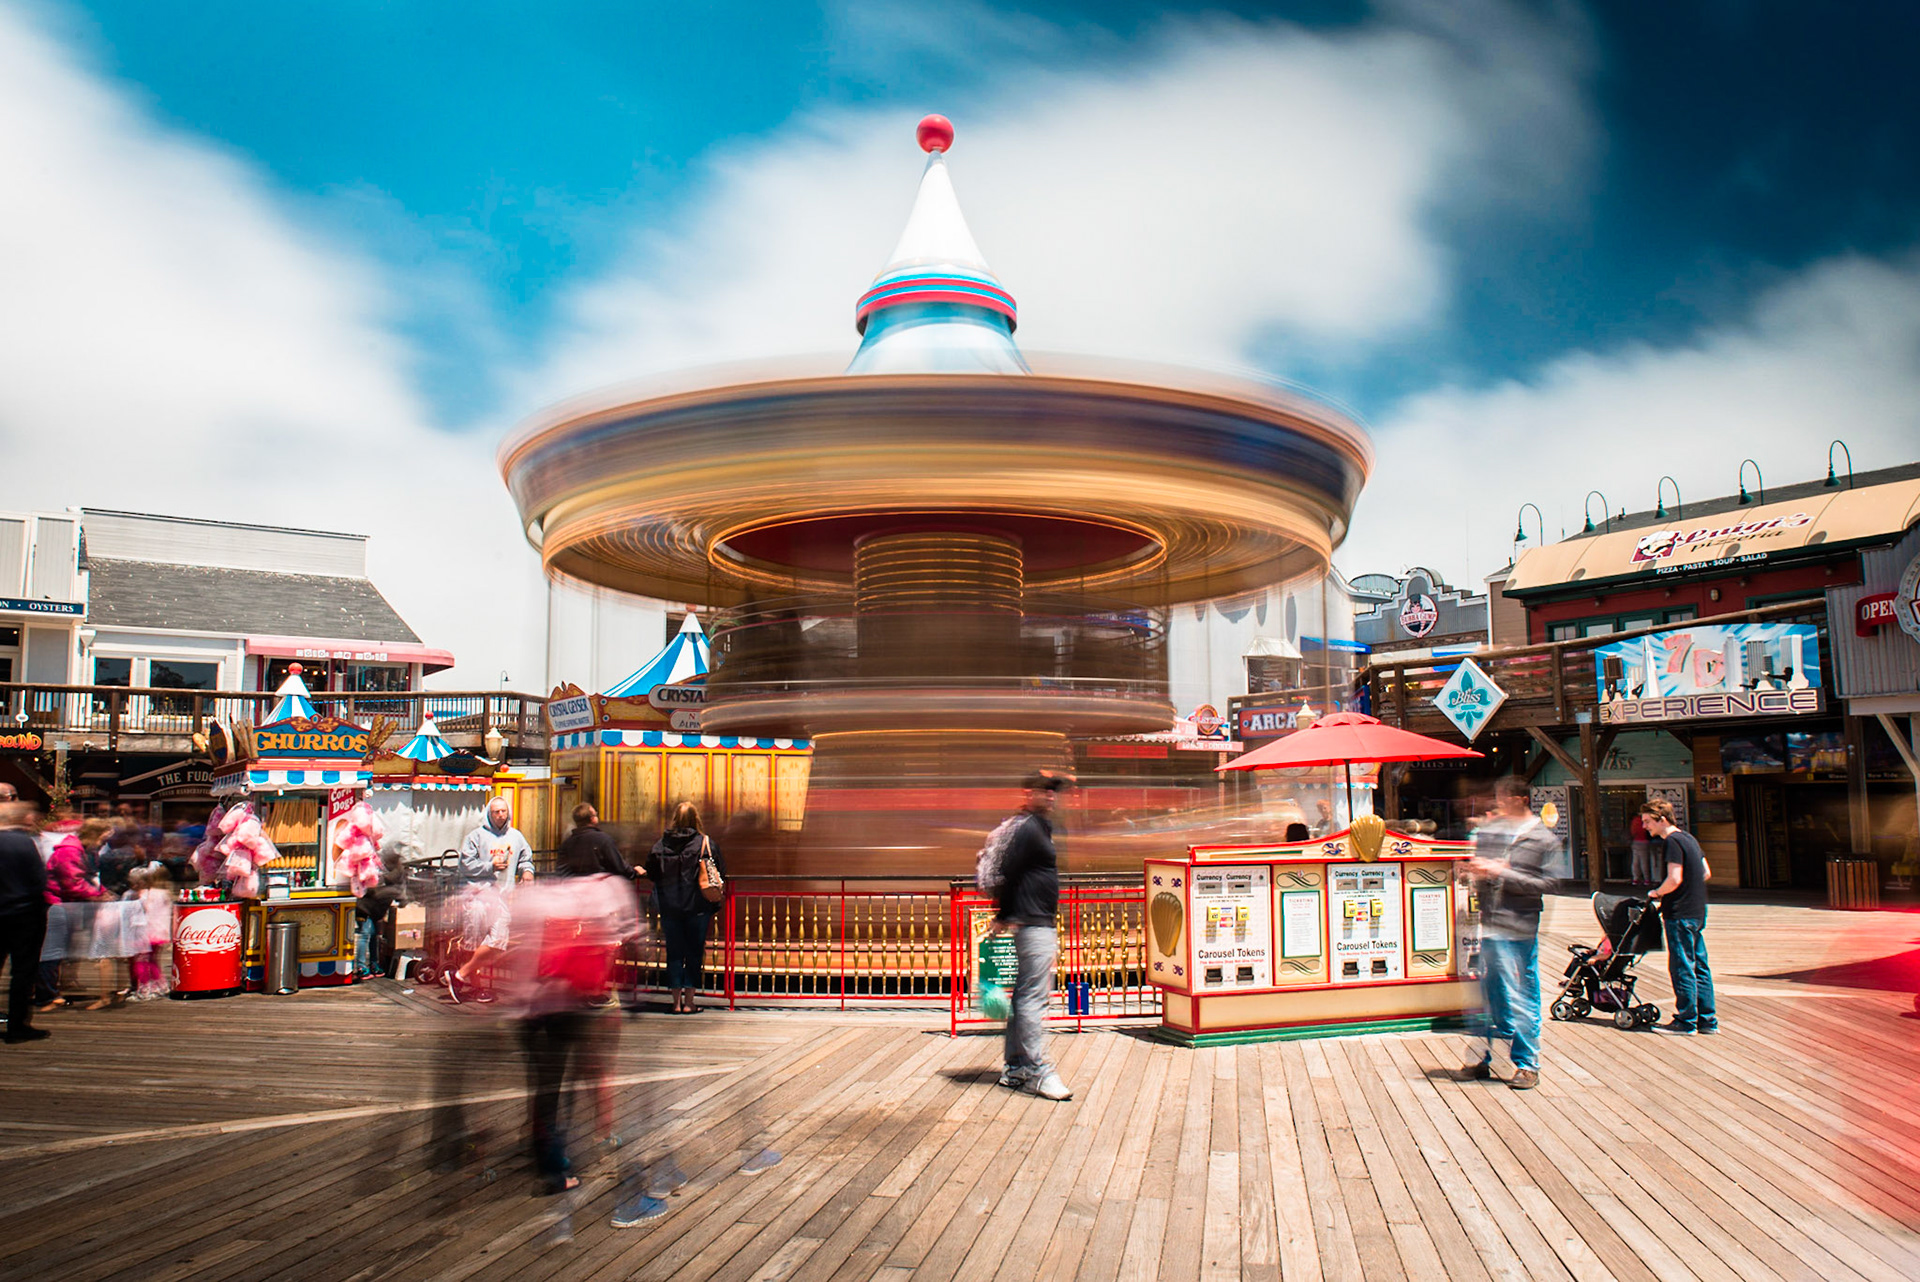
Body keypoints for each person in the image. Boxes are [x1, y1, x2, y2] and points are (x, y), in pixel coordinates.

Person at [1460, 777, 1559, 1090]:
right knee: (1489, 995)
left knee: (1521, 994)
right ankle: (1485, 1059)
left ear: (1520, 799)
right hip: (1489, 923)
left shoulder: (1544, 839)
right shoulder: (1493, 832)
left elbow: (1550, 885)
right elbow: (1487, 872)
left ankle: (1528, 1064)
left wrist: (1504, 872)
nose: (1498, 803)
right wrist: (1474, 872)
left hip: (1519, 926)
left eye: (1503, 798)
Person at [992, 771, 1072, 1102]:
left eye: (1053, 791)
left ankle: (1015, 1068)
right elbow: (1008, 871)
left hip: (1035, 921)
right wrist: (1004, 914)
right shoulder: (1027, 828)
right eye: (1044, 791)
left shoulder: (1040, 827)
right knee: (1032, 998)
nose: (1050, 796)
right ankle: (1039, 1072)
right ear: (1028, 793)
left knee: (1024, 995)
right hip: (1034, 922)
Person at [449, 797, 534, 1000]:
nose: (500, 815)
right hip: (478, 895)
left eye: (503, 811)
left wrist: (527, 872)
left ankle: (459, 976)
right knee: (474, 941)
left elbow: (526, 858)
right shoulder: (475, 836)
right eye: (496, 811)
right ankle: (478, 987)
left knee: (497, 940)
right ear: (489, 813)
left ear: (508, 812)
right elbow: (465, 865)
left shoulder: (516, 836)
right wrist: (490, 866)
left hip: (502, 897)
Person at [1643, 799, 1716, 1036]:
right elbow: (1705, 872)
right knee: (1700, 965)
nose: (1645, 826)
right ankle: (1707, 1021)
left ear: (1661, 819)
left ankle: (1685, 1021)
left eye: (1647, 821)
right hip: (1697, 911)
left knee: (1682, 965)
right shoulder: (1689, 838)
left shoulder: (1672, 841)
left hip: (1680, 913)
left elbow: (1674, 878)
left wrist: (1656, 892)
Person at [645, 802, 723, 1014]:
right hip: (697, 907)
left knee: (674, 953)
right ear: (695, 819)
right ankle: (690, 1003)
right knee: (694, 953)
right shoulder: (704, 843)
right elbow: (719, 871)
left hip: (670, 907)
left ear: (675, 820)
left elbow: (651, 872)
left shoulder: (661, 845)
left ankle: (676, 1003)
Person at [1, 801, 51, 1044]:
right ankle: (17, 1025)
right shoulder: (24, 843)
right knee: (22, 972)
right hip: (24, 913)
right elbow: (39, 881)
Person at [557, 804, 635, 880]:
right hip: (599, 889)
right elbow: (618, 866)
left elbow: (562, 871)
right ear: (593, 819)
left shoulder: (566, 844)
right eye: (596, 815)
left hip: (575, 889)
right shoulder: (604, 840)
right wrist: (633, 871)